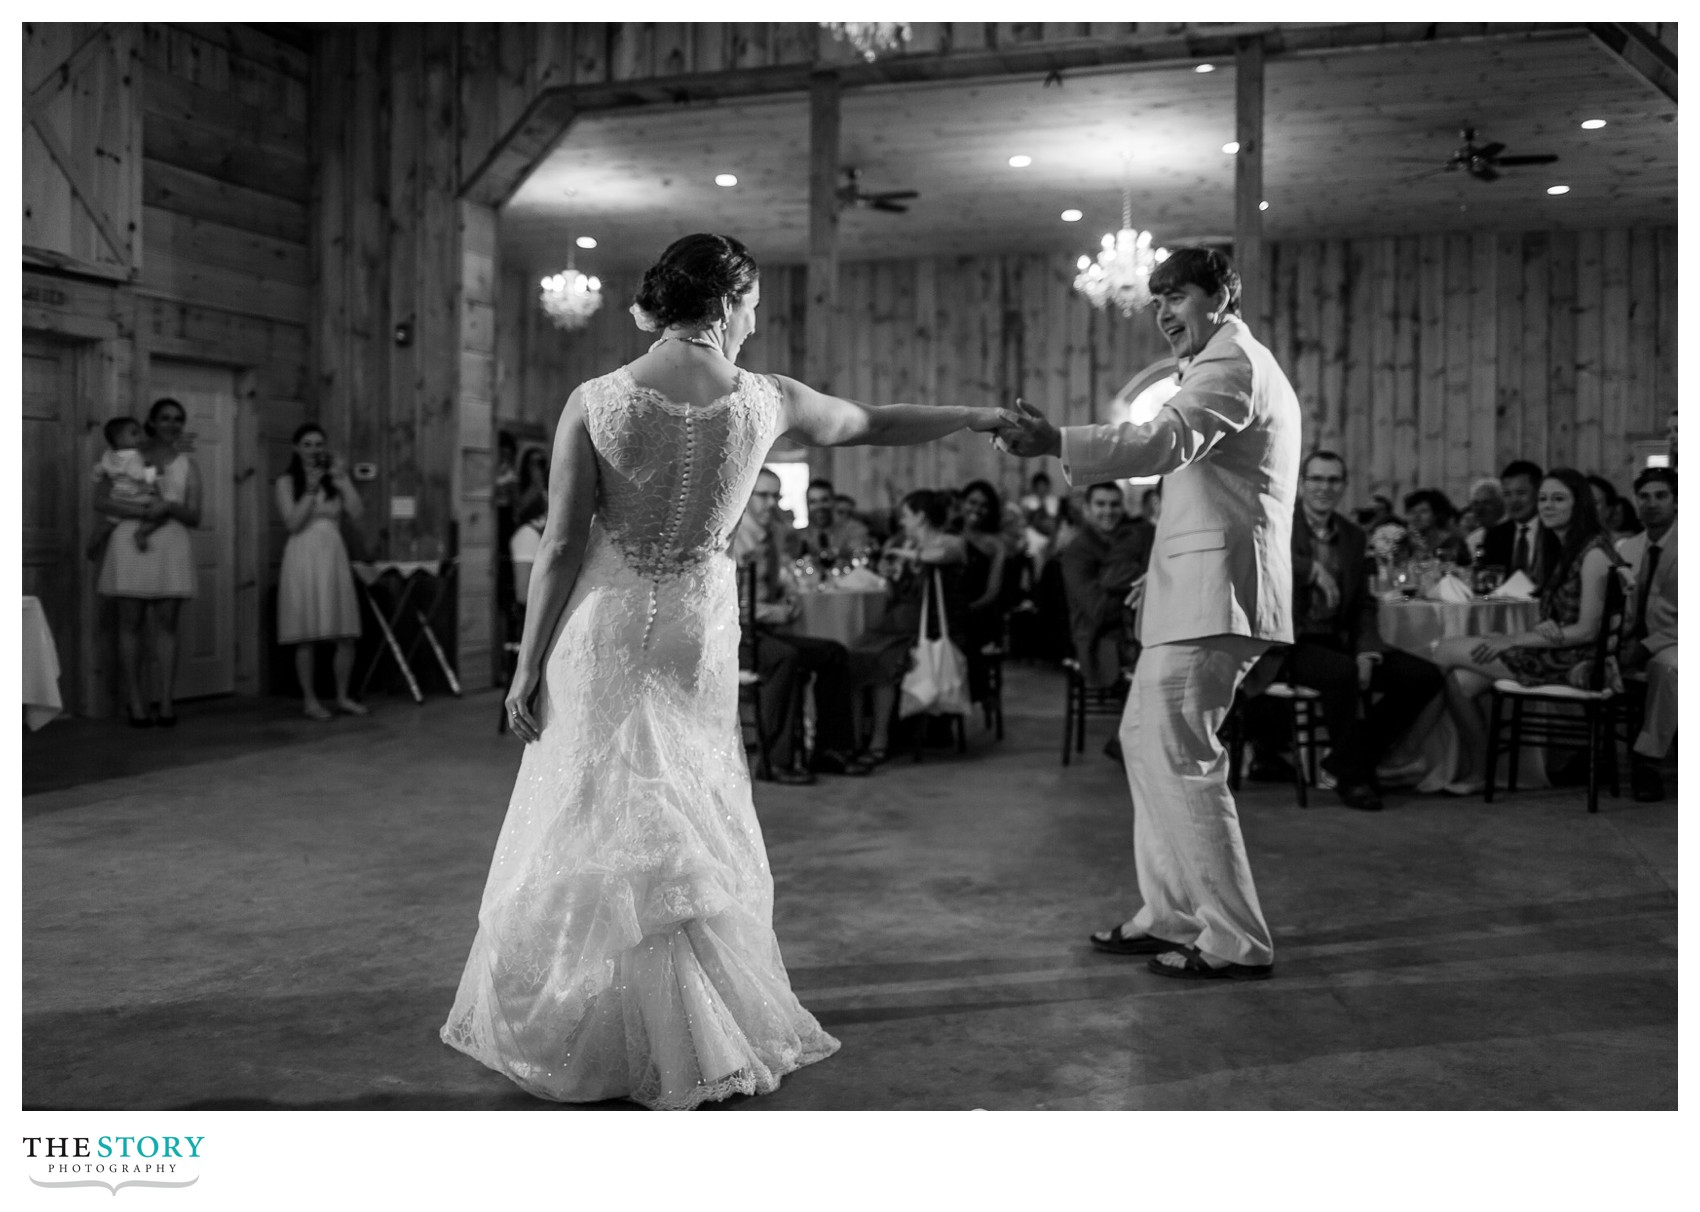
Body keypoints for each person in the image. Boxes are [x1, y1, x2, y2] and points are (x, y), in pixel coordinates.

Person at [442, 233, 1003, 1110]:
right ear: (728, 296)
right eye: (754, 301)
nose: (757, 316)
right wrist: (975, 416)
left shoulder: (595, 400)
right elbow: (874, 421)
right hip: (695, 631)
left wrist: (524, 668)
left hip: (605, 623)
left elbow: (557, 547)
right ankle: (694, 1023)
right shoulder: (767, 400)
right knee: (686, 806)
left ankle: (595, 1022)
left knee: (595, 806)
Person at [992, 245, 1298, 981]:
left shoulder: (1233, 365)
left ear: (1221, 296)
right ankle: (1172, 913)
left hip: (1216, 598)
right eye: (1156, 299)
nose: (1162, 311)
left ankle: (1234, 938)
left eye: (1176, 296)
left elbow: (1166, 439)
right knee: (1146, 743)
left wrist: (1057, 440)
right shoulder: (1219, 364)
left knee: (1184, 761)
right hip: (1192, 592)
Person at [1249, 451, 1446, 811]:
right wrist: (1310, 569)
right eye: (1317, 479)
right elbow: (1256, 554)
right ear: (1301, 483)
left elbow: (1361, 604)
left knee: (1424, 676)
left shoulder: (1354, 536)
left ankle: (1346, 760)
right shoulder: (1276, 522)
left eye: (1333, 480)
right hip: (1288, 643)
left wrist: (1367, 648)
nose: (1325, 487)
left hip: (1337, 639)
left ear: (1343, 486)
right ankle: (1354, 780)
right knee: (1342, 674)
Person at [1432, 468, 1624, 795]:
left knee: (1443, 650)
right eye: (1544, 499)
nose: (1548, 506)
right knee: (1459, 683)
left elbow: (1588, 631)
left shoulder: (1593, 553)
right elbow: (1564, 610)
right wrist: (1544, 623)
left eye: (1559, 499)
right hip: (1556, 649)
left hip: (1577, 661)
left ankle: (1403, 751)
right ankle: (1481, 768)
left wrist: (1512, 639)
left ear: (1579, 505)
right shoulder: (1565, 548)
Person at [733, 467, 869, 783]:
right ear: (745, 495)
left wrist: (790, 595)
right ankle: (774, 762)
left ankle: (831, 750)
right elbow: (728, 605)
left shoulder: (772, 536)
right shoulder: (736, 540)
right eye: (762, 495)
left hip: (763, 631)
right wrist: (772, 612)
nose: (771, 503)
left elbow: (782, 580)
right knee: (783, 657)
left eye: (775, 496)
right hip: (737, 636)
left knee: (834, 653)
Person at [94, 397, 202, 727]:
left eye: (178, 419)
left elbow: (195, 515)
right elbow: (101, 500)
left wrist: (168, 508)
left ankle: (167, 701)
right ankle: (136, 703)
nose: (172, 424)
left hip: (172, 542)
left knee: (167, 624)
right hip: (130, 541)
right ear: (151, 422)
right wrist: (143, 512)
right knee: (130, 623)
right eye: (166, 418)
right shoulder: (124, 456)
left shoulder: (188, 465)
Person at [845, 490, 968, 761]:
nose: (902, 521)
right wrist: (888, 575)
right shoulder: (900, 542)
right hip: (895, 623)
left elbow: (939, 556)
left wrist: (903, 555)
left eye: (906, 515)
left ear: (921, 516)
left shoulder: (951, 542)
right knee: (852, 656)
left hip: (929, 628)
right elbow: (892, 592)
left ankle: (879, 740)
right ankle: (853, 739)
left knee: (884, 663)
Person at [275, 423, 368, 721]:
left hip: (333, 552)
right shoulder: (287, 482)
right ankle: (310, 700)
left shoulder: (334, 481)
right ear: (296, 448)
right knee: (307, 633)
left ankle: (342, 696)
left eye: (319, 444)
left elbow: (357, 513)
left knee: (345, 631)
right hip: (303, 553)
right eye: (307, 444)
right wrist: (311, 488)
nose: (314, 450)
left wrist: (342, 480)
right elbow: (292, 523)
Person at [1617, 467, 1676, 802]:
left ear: (1677, 501)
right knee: (1587, 657)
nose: (1651, 504)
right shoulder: (1628, 548)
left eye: (1661, 496)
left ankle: (1648, 761)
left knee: (1667, 667)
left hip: (1676, 641)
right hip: (1632, 637)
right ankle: (1584, 754)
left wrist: (1645, 646)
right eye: (1644, 497)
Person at [1058, 481, 1152, 690]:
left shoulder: (1130, 539)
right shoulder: (1078, 551)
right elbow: (1099, 611)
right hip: (1099, 639)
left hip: (1132, 631)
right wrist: (1141, 588)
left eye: (1114, 504)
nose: (1108, 511)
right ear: (1087, 509)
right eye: (1100, 504)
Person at [86, 416, 162, 563]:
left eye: (140, 433)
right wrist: (150, 467)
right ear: (118, 439)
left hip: (117, 497)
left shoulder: (109, 455)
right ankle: (141, 533)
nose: (140, 437)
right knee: (159, 515)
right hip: (137, 497)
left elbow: (99, 469)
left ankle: (97, 536)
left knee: (110, 522)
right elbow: (139, 476)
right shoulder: (134, 456)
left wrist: (95, 476)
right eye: (134, 434)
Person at [1479, 459, 1544, 581]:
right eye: (1507, 494)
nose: (1514, 501)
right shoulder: (1495, 535)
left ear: (1538, 492)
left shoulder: (1553, 532)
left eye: (1521, 493)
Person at [797, 476, 871, 568]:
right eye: (813, 502)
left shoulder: (855, 530)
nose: (819, 506)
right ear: (807, 506)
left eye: (824, 500)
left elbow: (859, 558)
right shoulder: (799, 536)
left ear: (833, 501)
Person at [1402, 488, 1473, 565]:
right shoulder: (1405, 541)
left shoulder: (1452, 543)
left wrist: (1422, 551)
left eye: (1423, 511)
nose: (1417, 517)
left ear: (1435, 515)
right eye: (1412, 512)